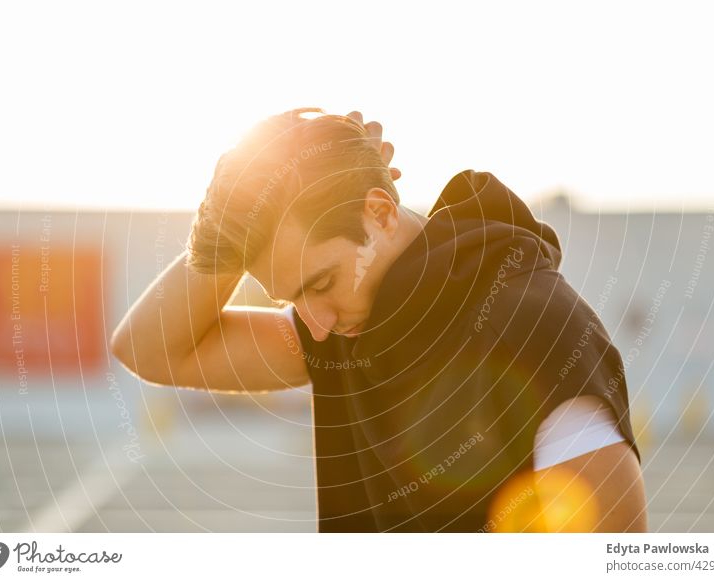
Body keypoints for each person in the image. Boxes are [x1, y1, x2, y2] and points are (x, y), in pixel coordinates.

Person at [110, 108, 648, 532]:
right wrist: (234, 226)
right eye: (291, 299)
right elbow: (150, 349)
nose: (314, 325)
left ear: (382, 214)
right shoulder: (344, 327)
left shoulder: (534, 324)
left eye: (320, 283)